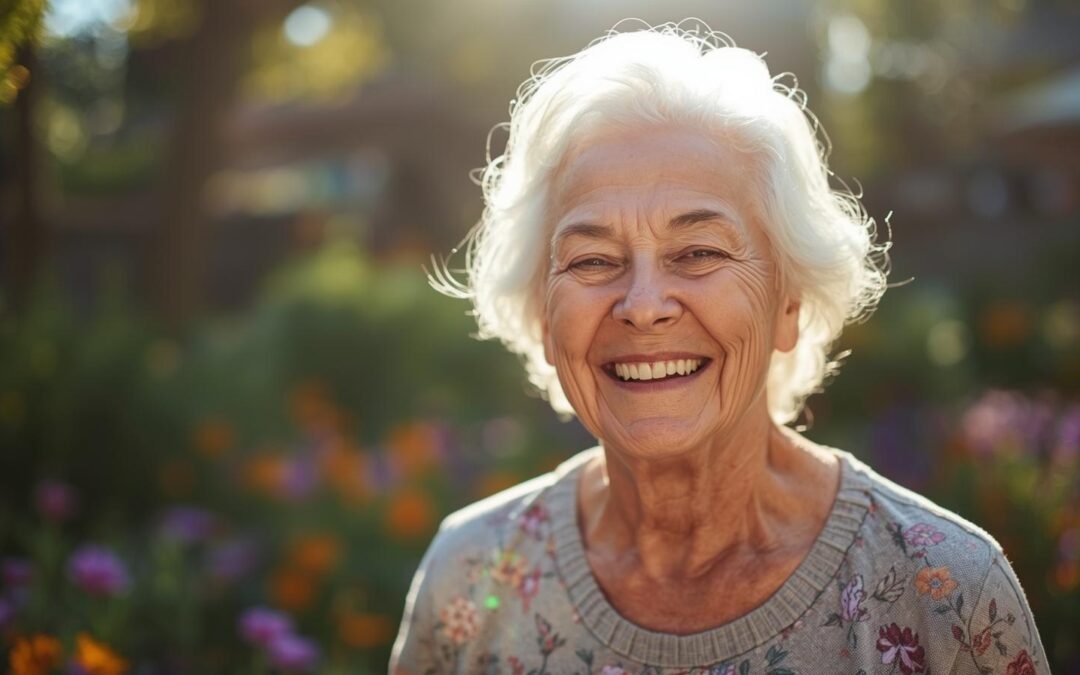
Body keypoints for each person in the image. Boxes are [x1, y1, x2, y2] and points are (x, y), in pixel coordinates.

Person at [391, 22, 1050, 675]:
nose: (643, 304)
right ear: (542, 314)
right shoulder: (470, 575)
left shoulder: (945, 597)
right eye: (592, 260)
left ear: (788, 302)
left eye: (698, 252)